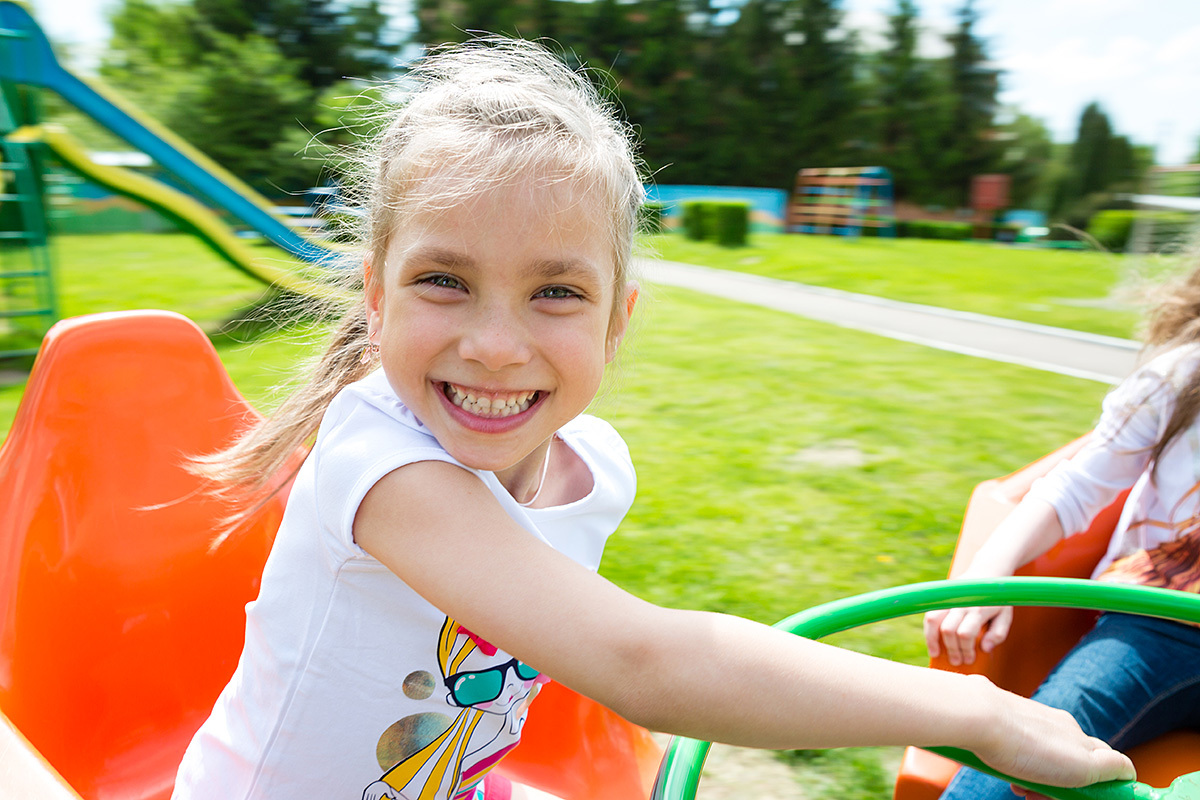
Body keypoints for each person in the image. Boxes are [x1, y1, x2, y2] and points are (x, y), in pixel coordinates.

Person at [171, 38, 1133, 800]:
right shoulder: (378, 464)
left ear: (616, 320)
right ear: (375, 296)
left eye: (554, 291)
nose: (497, 345)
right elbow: (644, 659)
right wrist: (972, 711)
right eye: (442, 281)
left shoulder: (596, 468)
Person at [925, 255, 1200, 800]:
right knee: (1029, 752)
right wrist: (989, 575)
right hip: (1161, 626)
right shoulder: (1180, 381)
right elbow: (1071, 490)